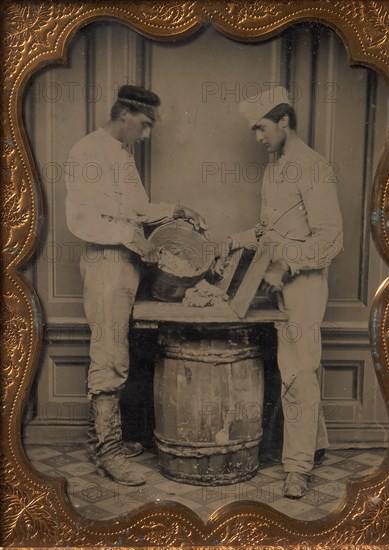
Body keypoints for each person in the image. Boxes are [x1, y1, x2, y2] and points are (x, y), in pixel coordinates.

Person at [65, 85, 205, 486]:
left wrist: (176, 209)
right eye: (143, 125)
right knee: (108, 356)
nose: (145, 135)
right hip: (105, 263)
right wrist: (133, 240)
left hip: (126, 266)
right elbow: (81, 221)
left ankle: (106, 438)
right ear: (124, 113)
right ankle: (108, 452)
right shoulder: (87, 152)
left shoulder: (121, 155)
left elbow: (136, 209)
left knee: (118, 350)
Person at [224, 86, 343, 498]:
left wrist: (288, 265)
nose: (257, 138)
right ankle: (315, 446)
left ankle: (297, 469)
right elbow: (269, 231)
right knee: (294, 367)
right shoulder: (275, 169)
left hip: (304, 285)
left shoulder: (313, 167)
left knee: (298, 372)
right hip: (277, 282)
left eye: (260, 128)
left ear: (284, 122)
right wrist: (238, 239)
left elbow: (331, 239)